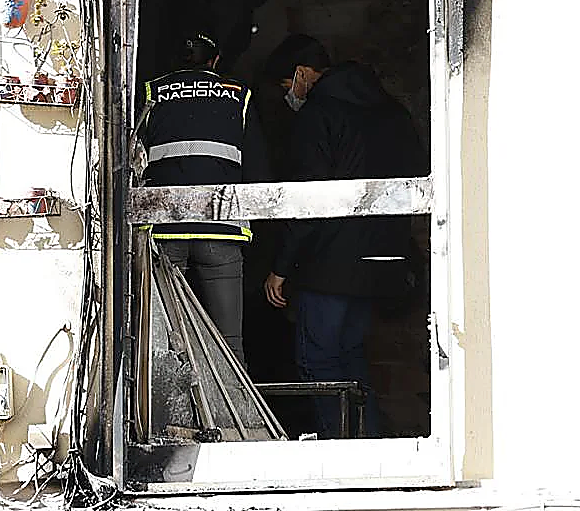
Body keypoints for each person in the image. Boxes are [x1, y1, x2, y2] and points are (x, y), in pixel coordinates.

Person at [261, 34, 426, 437]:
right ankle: (366, 446)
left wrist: (281, 267)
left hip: (329, 267)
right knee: (351, 358)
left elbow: (309, 201)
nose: (289, 97)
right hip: (382, 261)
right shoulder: (393, 111)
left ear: (302, 74)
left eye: (287, 87)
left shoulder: (319, 114)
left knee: (318, 363)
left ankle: (337, 452)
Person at [138, 32, 269, 365]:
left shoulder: (152, 94)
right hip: (221, 230)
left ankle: (164, 415)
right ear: (215, 62)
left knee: (165, 343)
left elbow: (132, 162)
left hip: (165, 231)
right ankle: (232, 415)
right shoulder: (239, 96)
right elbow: (258, 170)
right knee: (229, 343)